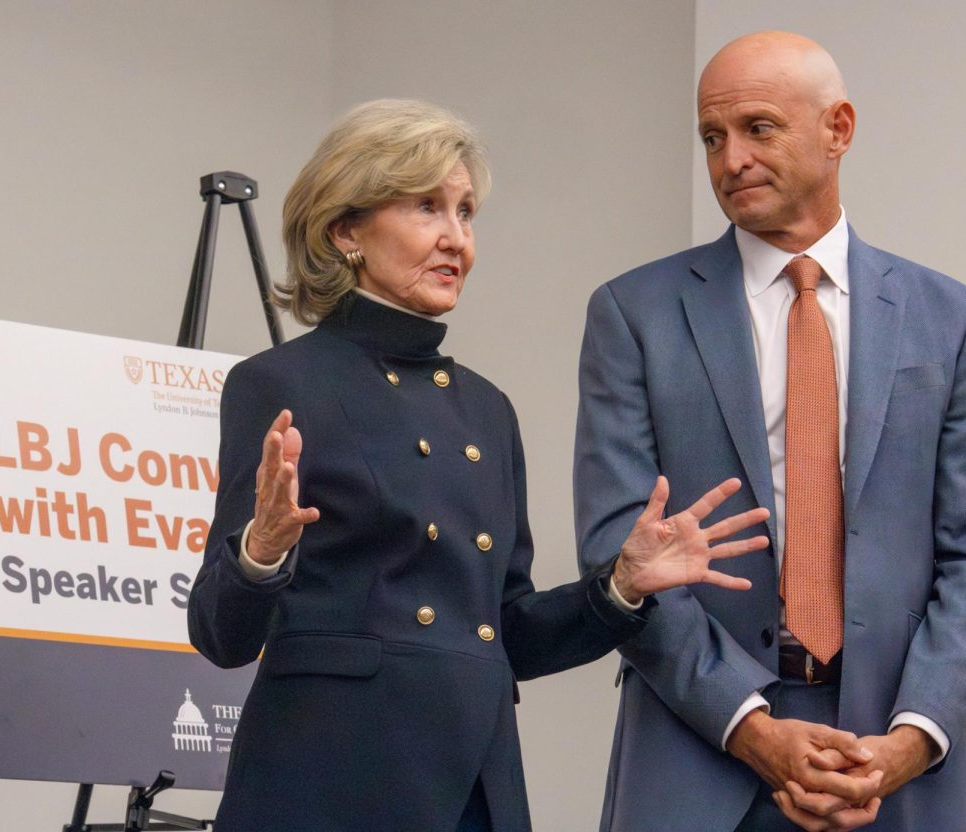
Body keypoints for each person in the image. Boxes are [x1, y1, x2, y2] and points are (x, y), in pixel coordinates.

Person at [188, 98, 770, 832]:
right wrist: (261, 552)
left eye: (465, 213)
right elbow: (220, 637)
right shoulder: (279, 384)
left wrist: (620, 586)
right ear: (345, 231)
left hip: (475, 785)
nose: (456, 239)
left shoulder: (486, 410)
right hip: (330, 782)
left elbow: (511, 633)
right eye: (427, 208)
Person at [574, 31, 966, 832]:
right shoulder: (633, 314)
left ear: (838, 129)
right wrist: (750, 728)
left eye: (759, 128)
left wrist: (913, 740)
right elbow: (620, 549)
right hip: (696, 749)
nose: (731, 158)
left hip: (892, 759)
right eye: (713, 138)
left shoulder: (947, 318)